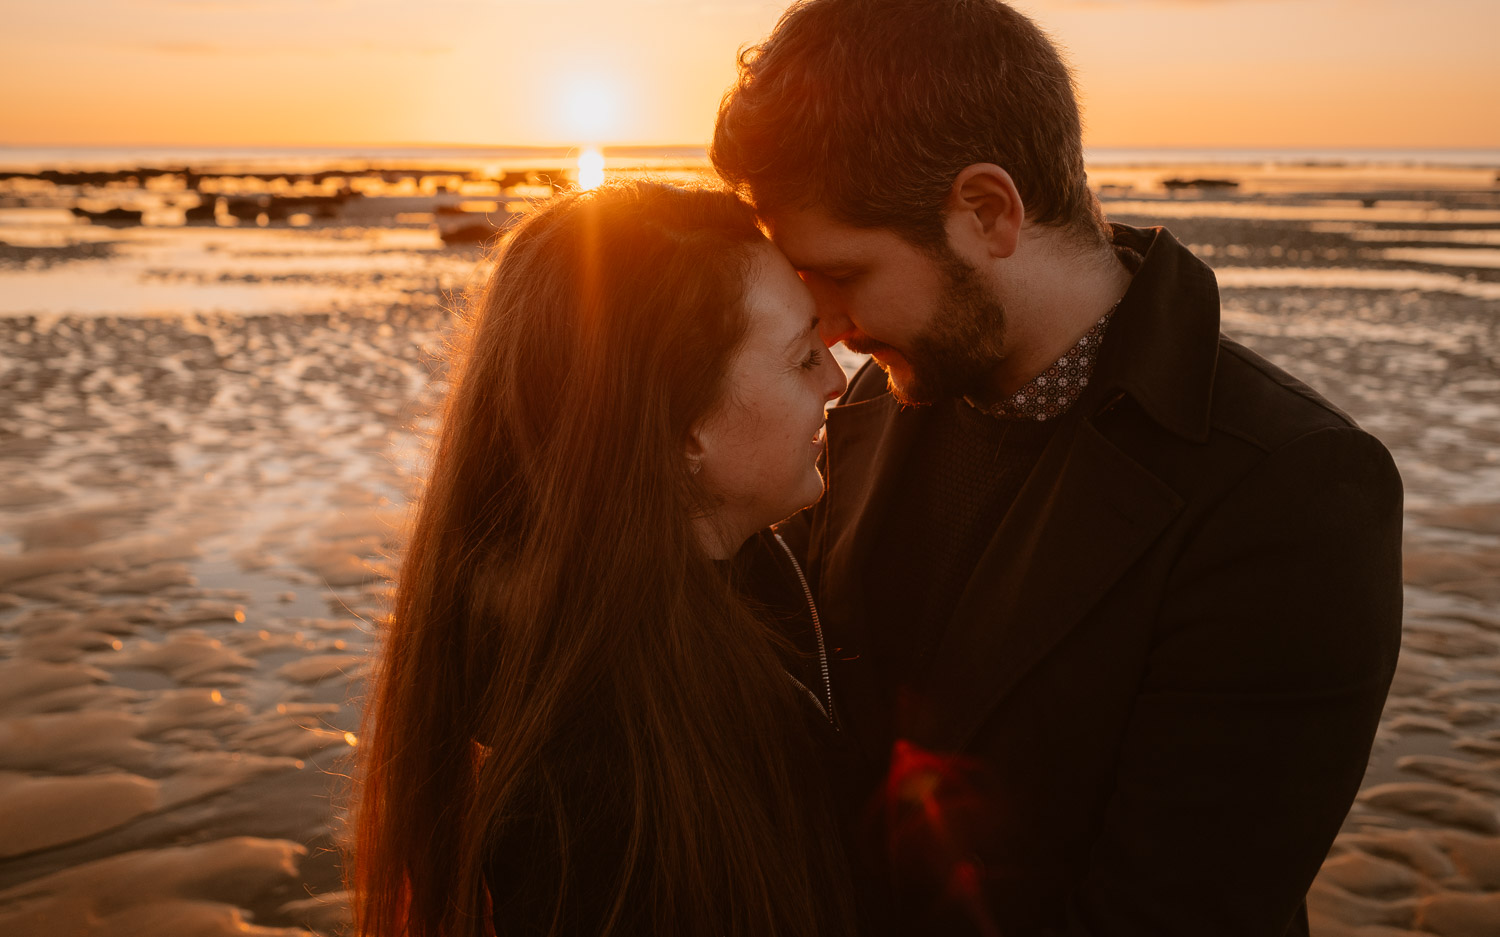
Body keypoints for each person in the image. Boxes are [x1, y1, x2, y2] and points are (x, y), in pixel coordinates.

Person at [711, 1, 1404, 935]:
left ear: (988, 211)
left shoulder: (1293, 489)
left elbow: (1174, 912)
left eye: (842, 272)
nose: (828, 331)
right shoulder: (877, 401)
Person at [347, 181, 858, 937]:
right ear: (682, 428)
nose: (837, 380)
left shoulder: (739, 576)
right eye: (802, 355)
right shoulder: (586, 783)